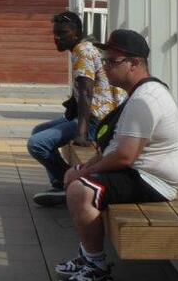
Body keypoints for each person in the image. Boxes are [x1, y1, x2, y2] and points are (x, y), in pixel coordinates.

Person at [55, 29, 178, 281]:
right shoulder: (139, 94)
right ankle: (86, 254)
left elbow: (125, 156)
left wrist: (85, 172)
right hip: (140, 173)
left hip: (154, 181)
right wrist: (82, 168)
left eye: (113, 62)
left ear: (135, 63)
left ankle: (96, 268)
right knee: (76, 177)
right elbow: (117, 147)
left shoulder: (145, 100)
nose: (105, 68)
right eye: (105, 61)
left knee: (81, 190)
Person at [28, 11, 125, 207]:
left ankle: (69, 184)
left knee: (37, 144)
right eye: (55, 33)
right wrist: (72, 102)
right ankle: (58, 184)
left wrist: (81, 133)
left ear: (76, 33)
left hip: (96, 121)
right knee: (39, 131)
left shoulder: (83, 52)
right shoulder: (81, 49)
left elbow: (87, 93)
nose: (57, 37)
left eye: (62, 33)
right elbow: (84, 88)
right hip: (95, 116)